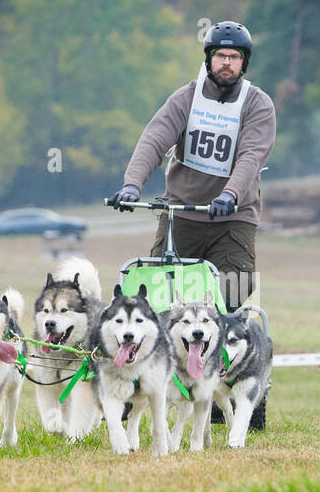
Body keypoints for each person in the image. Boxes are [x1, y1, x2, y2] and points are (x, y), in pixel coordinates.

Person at [110, 21, 276, 313]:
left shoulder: (258, 105)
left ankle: (221, 353)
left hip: (232, 220)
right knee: (159, 299)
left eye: (234, 57)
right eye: (221, 55)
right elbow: (153, 141)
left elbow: (251, 156)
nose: (227, 63)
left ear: (244, 63)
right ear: (209, 59)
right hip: (181, 216)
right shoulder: (186, 98)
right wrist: (132, 185)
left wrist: (230, 194)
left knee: (229, 297)